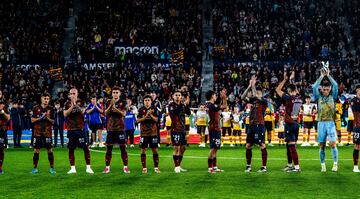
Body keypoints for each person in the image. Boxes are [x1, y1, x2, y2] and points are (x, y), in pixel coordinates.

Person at [312, 68, 339, 172]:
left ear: (330, 89)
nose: (326, 91)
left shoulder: (333, 96)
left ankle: (335, 164)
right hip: (321, 123)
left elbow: (335, 85)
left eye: (328, 89)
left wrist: (329, 75)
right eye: (324, 89)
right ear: (321, 89)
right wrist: (321, 76)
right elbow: (314, 86)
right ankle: (323, 165)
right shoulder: (318, 97)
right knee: (322, 145)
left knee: (333, 144)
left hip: (331, 123)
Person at [276, 71, 302, 172]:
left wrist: (285, 80)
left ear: (290, 91)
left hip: (290, 124)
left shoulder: (288, 98)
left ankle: (296, 167)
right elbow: (294, 88)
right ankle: (290, 165)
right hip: (296, 123)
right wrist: (291, 80)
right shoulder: (299, 98)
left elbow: (278, 90)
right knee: (289, 145)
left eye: (287, 90)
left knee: (291, 145)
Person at [241, 76, 268, 173]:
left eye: (258, 93)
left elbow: (256, 96)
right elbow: (242, 97)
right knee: (248, 145)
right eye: (256, 93)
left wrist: (253, 86)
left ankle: (264, 167)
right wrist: (249, 86)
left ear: (262, 95)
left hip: (259, 125)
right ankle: (248, 166)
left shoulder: (264, 102)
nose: (256, 94)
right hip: (251, 126)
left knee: (262, 144)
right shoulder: (253, 100)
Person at [64, 88, 94, 174]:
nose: (72, 95)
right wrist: (72, 106)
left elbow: (83, 111)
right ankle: (72, 168)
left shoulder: (81, 102)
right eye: (71, 94)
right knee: (70, 149)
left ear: (77, 94)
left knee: (86, 148)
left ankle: (88, 167)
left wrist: (75, 105)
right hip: (70, 129)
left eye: (74, 93)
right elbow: (65, 114)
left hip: (80, 129)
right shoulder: (67, 103)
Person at [103, 86, 129, 174]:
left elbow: (124, 114)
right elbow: (105, 113)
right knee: (109, 148)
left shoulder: (123, 102)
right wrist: (111, 106)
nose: (115, 94)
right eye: (113, 92)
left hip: (120, 128)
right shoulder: (108, 102)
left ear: (119, 93)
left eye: (117, 92)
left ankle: (125, 167)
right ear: (112, 93)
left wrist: (116, 109)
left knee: (123, 148)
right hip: (110, 128)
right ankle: (107, 167)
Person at [31, 92, 56, 174]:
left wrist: (47, 118)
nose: (46, 100)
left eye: (47, 99)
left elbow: (53, 121)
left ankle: (52, 168)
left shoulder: (51, 109)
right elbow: (32, 120)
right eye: (44, 98)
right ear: (41, 99)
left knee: (49, 150)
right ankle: (34, 168)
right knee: (36, 150)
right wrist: (40, 118)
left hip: (47, 133)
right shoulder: (35, 108)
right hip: (37, 132)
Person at [137, 95, 160, 173]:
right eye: (145, 100)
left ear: (151, 101)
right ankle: (144, 168)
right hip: (144, 134)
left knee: (155, 150)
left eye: (148, 100)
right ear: (143, 101)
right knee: (143, 150)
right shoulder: (141, 110)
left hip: (153, 133)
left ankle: (156, 168)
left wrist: (150, 115)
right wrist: (146, 116)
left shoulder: (155, 109)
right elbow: (138, 120)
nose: (147, 101)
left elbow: (157, 120)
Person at [168, 90, 190, 173]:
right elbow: (176, 112)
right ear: (173, 97)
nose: (177, 96)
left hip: (182, 129)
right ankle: (176, 166)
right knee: (176, 147)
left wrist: (186, 105)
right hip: (175, 129)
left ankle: (178, 165)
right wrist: (183, 104)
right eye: (176, 95)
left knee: (183, 148)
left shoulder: (182, 105)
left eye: (179, 95)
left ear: (181, 97)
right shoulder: (171, 105)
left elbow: (189, 113)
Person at [206, 88, 227, 173]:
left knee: (215, 148)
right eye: (215, 95)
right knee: (213, 148)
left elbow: (220, 107)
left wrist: (222, 98)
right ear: (211, 96)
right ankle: (210, 168)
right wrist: (224, 98)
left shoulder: (211, 105)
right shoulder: (210, 105)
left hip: (216, 128)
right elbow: (224, 106)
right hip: (213, 129)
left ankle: (214, 167)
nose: (216, 96)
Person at [351, 85, 360, 172]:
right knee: (357, 145)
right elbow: (356, 112)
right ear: (357, 90)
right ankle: (355, 166)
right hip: (358, 126)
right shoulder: (354, 100)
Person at [0, 99, 10, 174]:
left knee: (1, 151)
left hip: (2, 133)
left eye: (2, 104)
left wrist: (2, 112)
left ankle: (0, 168)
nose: (1, 105)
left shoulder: (5, 110)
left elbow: (8, 118)